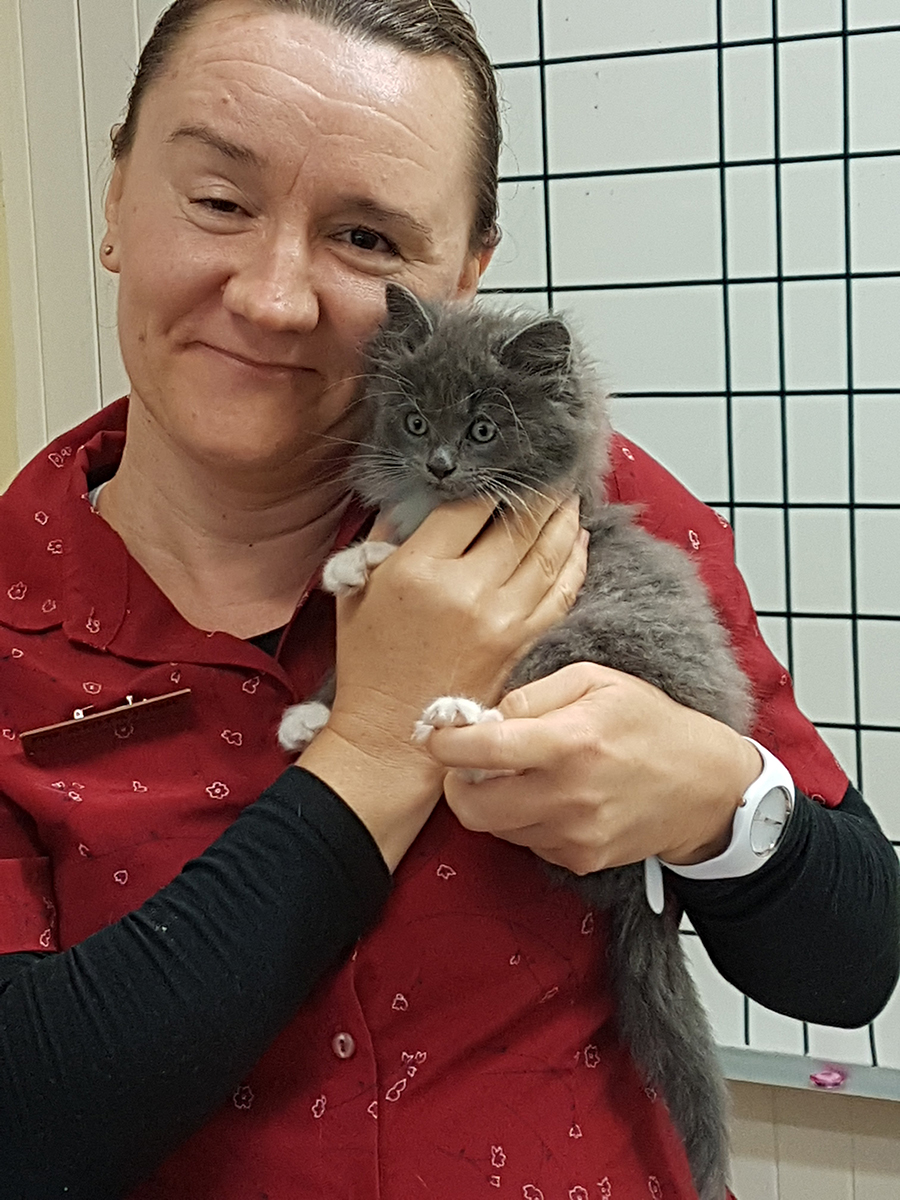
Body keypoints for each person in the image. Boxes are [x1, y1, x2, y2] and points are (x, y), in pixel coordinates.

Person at [0, 1, 896, 1196]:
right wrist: (376, 741)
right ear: (116, 199)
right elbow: (26, 1120)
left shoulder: (579, 505)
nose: (273, 297)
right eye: (218, 201)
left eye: (367, 238)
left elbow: (851, 962)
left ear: (464, 276)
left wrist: (719, 804)